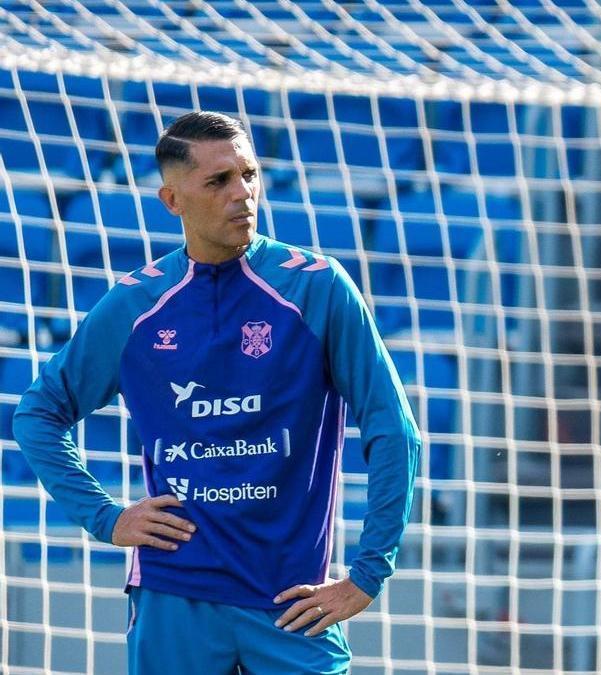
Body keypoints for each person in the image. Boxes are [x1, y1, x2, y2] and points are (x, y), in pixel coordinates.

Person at [14, 111, 421, 674]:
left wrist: (369, 574)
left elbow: (393, 429)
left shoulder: (316, 287)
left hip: (292, 604)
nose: (243, 193)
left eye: (248, 175)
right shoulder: (136, 305)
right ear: (172, 200)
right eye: (218, 181)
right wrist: (104, 517)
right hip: (173, 595)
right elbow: (38, 413)